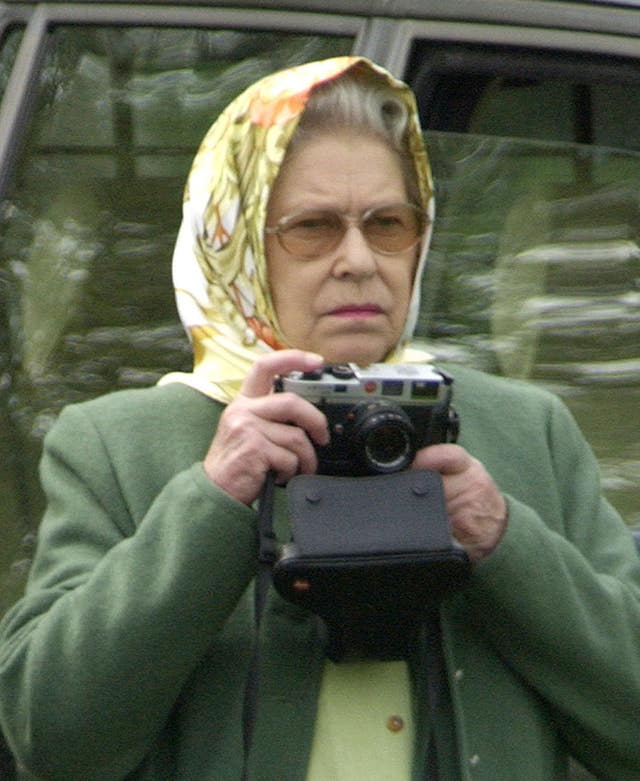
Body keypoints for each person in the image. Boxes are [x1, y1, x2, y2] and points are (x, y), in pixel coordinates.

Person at [0, 56, 638, 781]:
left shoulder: (527, 431)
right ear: (237, 243)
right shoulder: (122, 445)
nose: (359, 260)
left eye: (388, 223)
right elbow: (50, 739)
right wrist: (213, 501)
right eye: (313, 228)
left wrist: (505, 540)